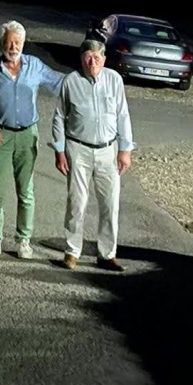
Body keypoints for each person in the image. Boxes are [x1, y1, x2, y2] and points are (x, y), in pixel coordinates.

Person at [0, 20, 64, 260]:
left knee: (26, 191)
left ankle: (23, 240)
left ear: (23, 43)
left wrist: (86, 78)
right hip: (0, 134)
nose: (13, 47)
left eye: (17, 42)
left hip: (27, 134)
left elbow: (59, 83)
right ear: (2, 43)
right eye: (9, 42)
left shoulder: (35, 66)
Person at [52, 37, 134, 271]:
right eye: (88, 57)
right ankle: (72, 251)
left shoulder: (114, 80)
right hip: (78, 149)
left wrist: (125, 149)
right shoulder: (71, 81)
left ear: (104, 59)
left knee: (110, 204)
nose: (92, 62)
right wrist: (59, 150)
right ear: (81, 59)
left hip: (108, 150)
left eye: (97, 57)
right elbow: (59, 117)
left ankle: (107, 254)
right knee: (76, 202)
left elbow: (123, 115)